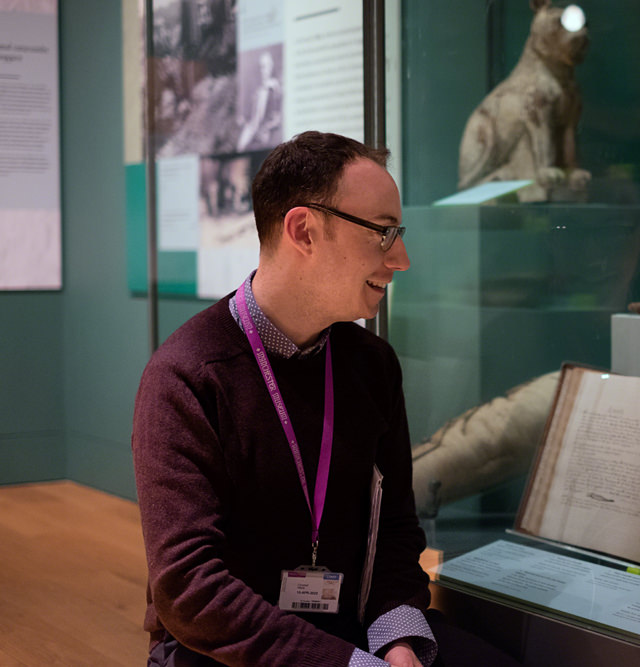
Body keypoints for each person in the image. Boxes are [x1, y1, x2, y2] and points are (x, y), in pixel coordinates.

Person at [132, 131, 434, 666]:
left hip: (353, 642)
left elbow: (394, 531)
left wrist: (399, 640)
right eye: (384, 233)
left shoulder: (373, 365)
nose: (402, 258)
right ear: (303, 231)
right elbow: (190, 592)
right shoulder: (185, 377)